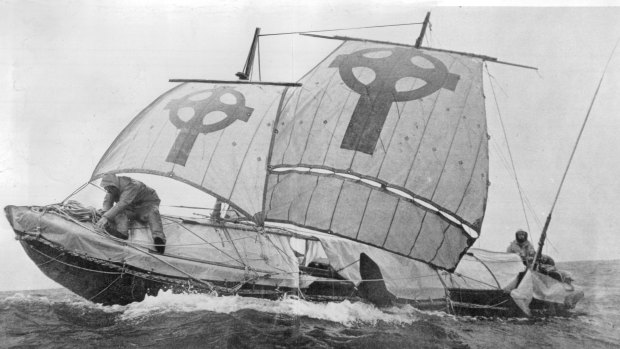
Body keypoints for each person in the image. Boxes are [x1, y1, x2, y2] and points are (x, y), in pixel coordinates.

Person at [95, 173, 166, 254]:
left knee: (153, 212)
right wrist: (104, 215)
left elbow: (123, 203)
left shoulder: (132, 185)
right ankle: (122, 233)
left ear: (113, 186)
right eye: (106, 189)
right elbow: (107, 204)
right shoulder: (111, 190)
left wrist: (106, 217)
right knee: (118, 212)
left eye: (108, 189)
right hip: (130, 208)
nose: (107, 192)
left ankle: (159, 240)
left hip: (146, 206)